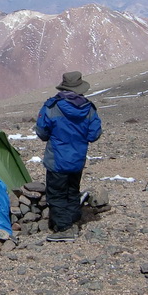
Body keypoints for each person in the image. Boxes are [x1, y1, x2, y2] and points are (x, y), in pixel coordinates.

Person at [35, 71, 102, 242]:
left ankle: (64, 228)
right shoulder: (89, 108)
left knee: (56, 194)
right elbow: (94, 134)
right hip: (77, 159)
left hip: (57, 159)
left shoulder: (52, 107)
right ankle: (73, 221)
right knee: (72, 191)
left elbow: (42, 132)